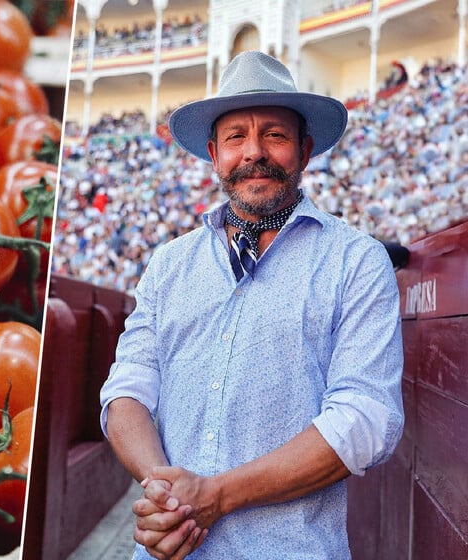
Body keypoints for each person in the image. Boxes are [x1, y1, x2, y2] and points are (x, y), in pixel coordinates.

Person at [98, 50, 404, 559]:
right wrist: (164, 490)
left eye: (275, 135)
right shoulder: (169, 264)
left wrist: (215, 497)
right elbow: (127, 391)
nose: (254, 152)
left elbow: (365, 419)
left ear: (304, 151)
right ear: (215, 153)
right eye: (236, 136)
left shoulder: (357, 261)